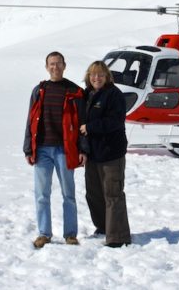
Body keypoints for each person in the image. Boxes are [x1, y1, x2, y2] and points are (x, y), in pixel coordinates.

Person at [24, 51, 88, 249]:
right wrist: (28, 148)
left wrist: (82, 149)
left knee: (68, 194)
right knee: (41, 194)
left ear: (64, 65)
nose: (55, 67)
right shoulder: (39, 90)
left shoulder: (75, 91)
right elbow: (30, 120)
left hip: (64, 149)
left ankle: (70, 234)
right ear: (46, 67)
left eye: (58, 64)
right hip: (42, 149)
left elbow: (83, 125)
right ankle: (44, 233)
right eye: (51, 64)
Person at [79, 60, 132, 247]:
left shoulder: (114, 94)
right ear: (88, 76)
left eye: (101, 74)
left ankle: (118, 236)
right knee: (93, 194)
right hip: (93, 154)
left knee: (113, 194)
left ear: (107, 76)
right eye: (93, 74)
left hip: (111, 153)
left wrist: (90, 127)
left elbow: (115, 121)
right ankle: (102, 227)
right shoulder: (87, 94)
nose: (97, 78)